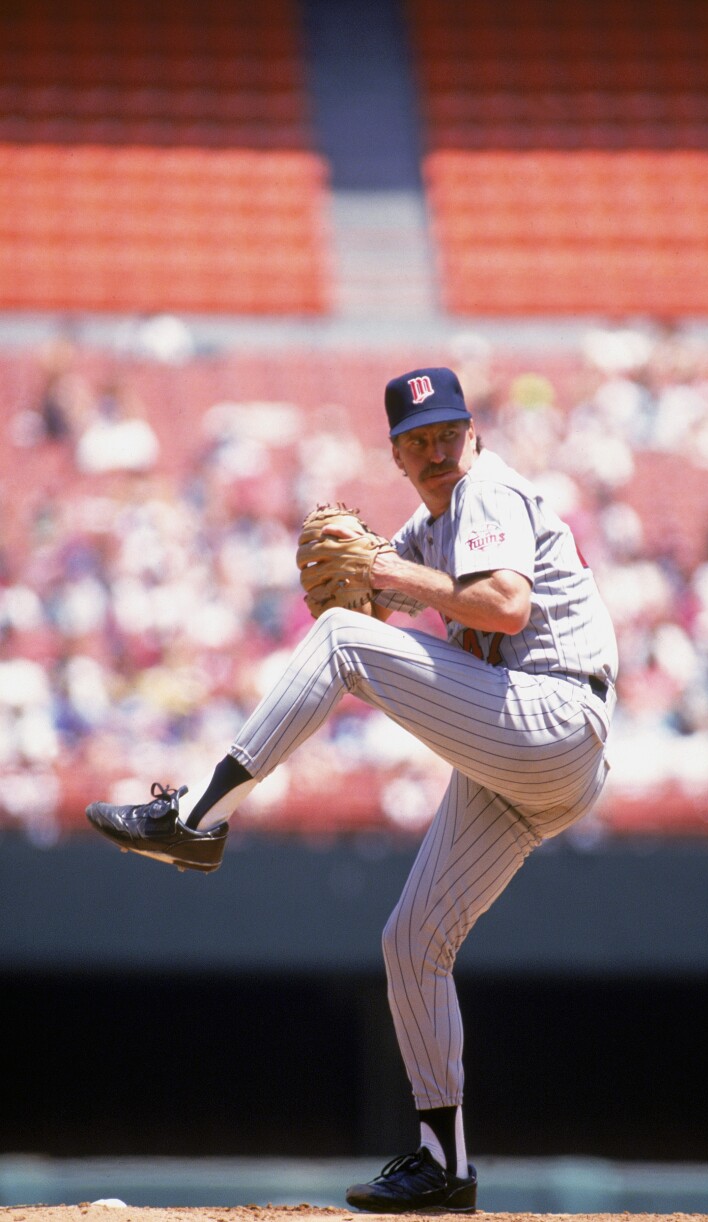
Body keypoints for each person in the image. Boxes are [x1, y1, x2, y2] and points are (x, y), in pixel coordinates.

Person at [86, 366, 618, 1213]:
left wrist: (380, 582)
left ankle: (197, 816)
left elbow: (506, 607)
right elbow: (372, 595)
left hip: (554, 712)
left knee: (337, 638)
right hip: (527, 761)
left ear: (474, 434)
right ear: (398, 457)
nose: (440, 453)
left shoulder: (486, 490)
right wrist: (372, 577)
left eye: (449, 434)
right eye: (419, 443)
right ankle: (444, 1164)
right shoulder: (428, 521)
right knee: (411, 941)